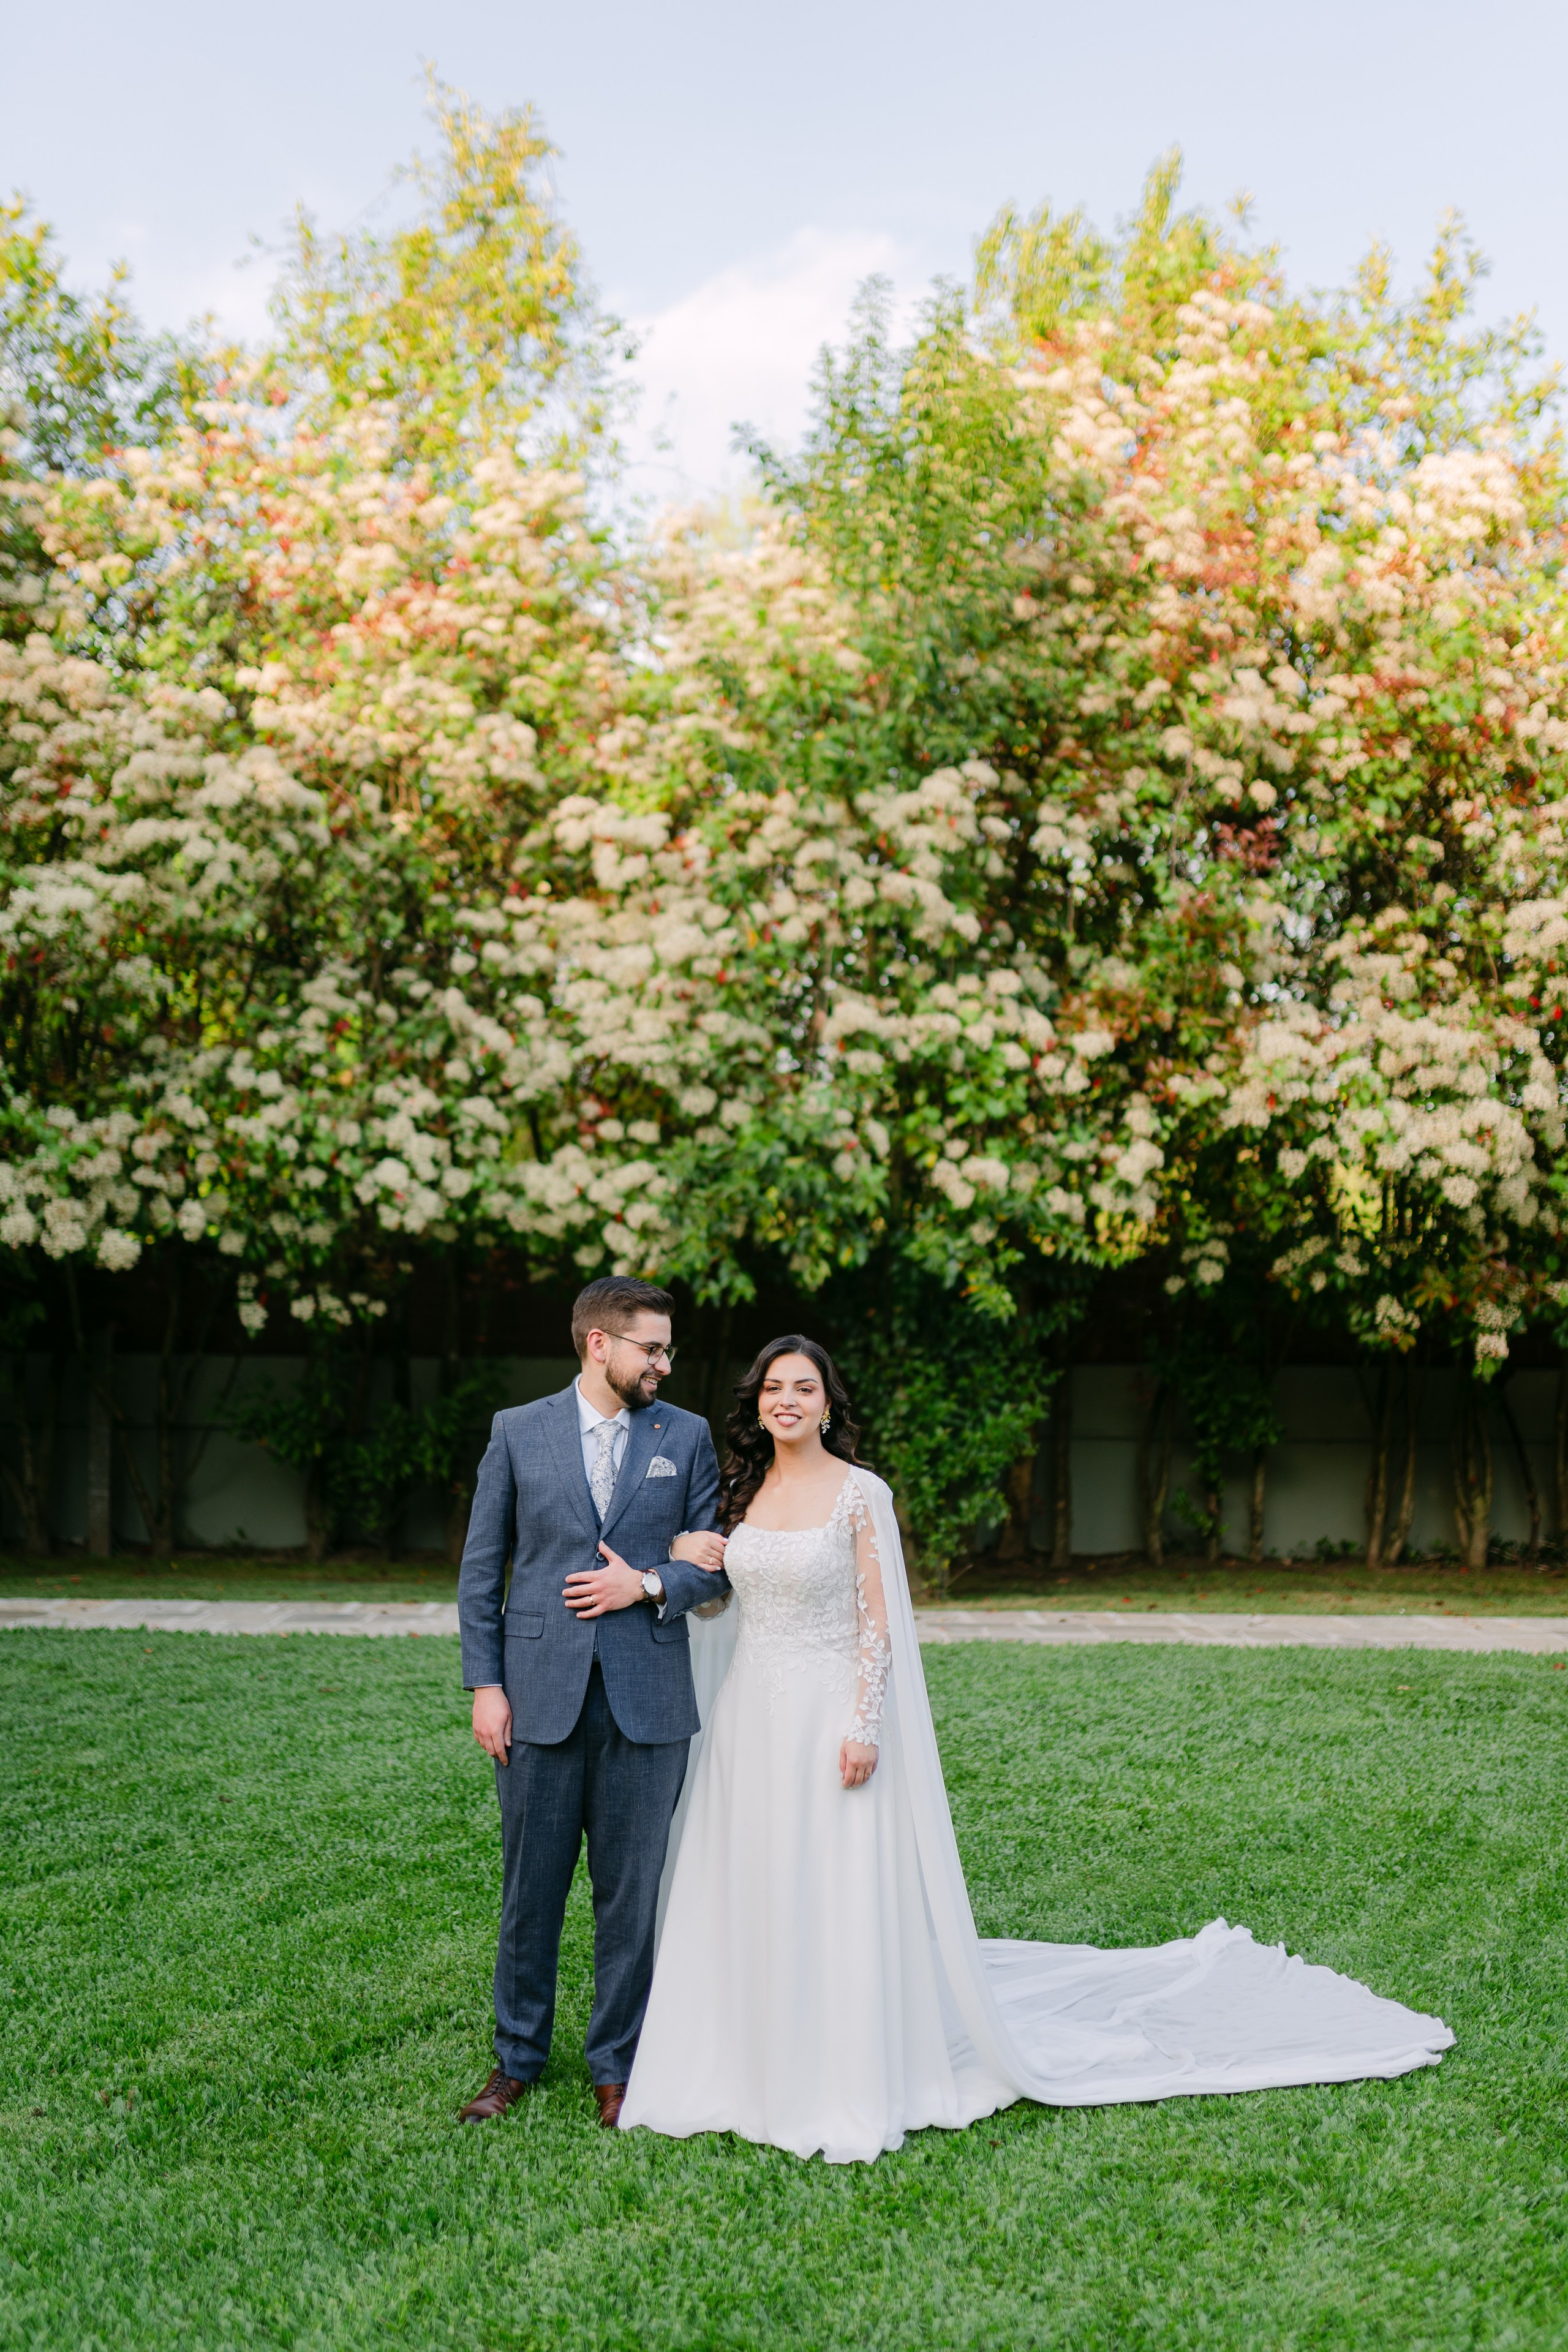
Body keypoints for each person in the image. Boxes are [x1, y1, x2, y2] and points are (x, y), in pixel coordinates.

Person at [619, 1335, 1454, 2165]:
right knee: (754, 1876)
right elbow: (721, 1611)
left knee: (829, 1882)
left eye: (804, 1387)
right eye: (773, 1388)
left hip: (829, 1714)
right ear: (755, 1404)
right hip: (749, 1720)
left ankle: (833, 2067)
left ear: (830, 1405)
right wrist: (683, 1566)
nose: (786, 1400)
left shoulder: (860, 1494)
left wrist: (864, 1724)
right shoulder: (740, 1492)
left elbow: (880, 1623)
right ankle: (744, 2058)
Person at [454, 1276, 728, 2130]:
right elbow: (481, 1569)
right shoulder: (517, 1432)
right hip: (535, 1701)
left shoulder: (685, 1436)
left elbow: (711, 1565)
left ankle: (620, 2066)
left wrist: (642, 1582)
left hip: (647, 1703)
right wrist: (487, 1686)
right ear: (597, 1344)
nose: (664, 1363)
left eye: (668, 1348)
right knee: (529, 1893)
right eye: (651, 1348)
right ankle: (516, 2061)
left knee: (631, 1898)